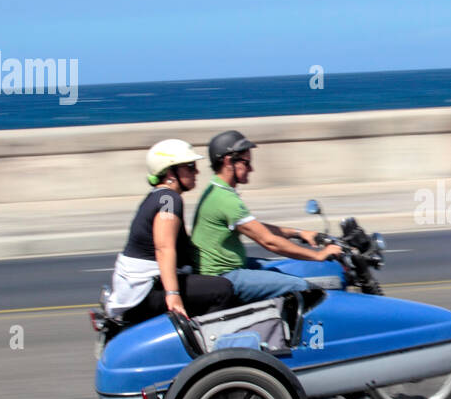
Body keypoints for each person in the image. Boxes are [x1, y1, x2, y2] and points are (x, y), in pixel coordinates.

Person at [191, 129, 343, 304]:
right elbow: (268, 240)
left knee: (284, 268)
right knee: (303, 287)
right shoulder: (225, 199)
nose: (251, 169)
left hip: (227, 270)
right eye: (247, 163)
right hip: (223, 277)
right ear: (228, 161)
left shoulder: (217, 190)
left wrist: (299, 233)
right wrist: (317, 255)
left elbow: (256, 227)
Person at [105, 139, 235, 325]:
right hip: (147, 290)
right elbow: (164, 248)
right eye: (190, 166)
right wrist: (173, 295)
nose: (196, 171)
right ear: (170, 172)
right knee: (222, 290)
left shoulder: (156, 196)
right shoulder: (169, 199)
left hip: (140, 287)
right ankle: (213, 348)